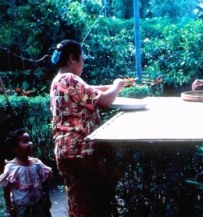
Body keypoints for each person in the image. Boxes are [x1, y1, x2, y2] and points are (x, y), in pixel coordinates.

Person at [49, 39, 126, 217]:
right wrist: (117, 85)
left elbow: (90, 90)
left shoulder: (58, 81)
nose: (83, 64)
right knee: (87, 206)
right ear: (72, 58)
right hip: (79, 152)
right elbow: (106, 101)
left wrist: (116, 86)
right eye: (82, 59)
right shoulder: (70, 78)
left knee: (78, 202)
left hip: (66, 152)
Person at [0, 128, 52, 217]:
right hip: (21, 208)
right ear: (16, 148)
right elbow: (7, 189)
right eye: (25, 141)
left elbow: (44, 182)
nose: (30, 143)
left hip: (40, 205)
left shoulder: (37, 163)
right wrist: (9, 206)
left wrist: (47, 198)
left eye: (30, 140)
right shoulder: (11, 167)